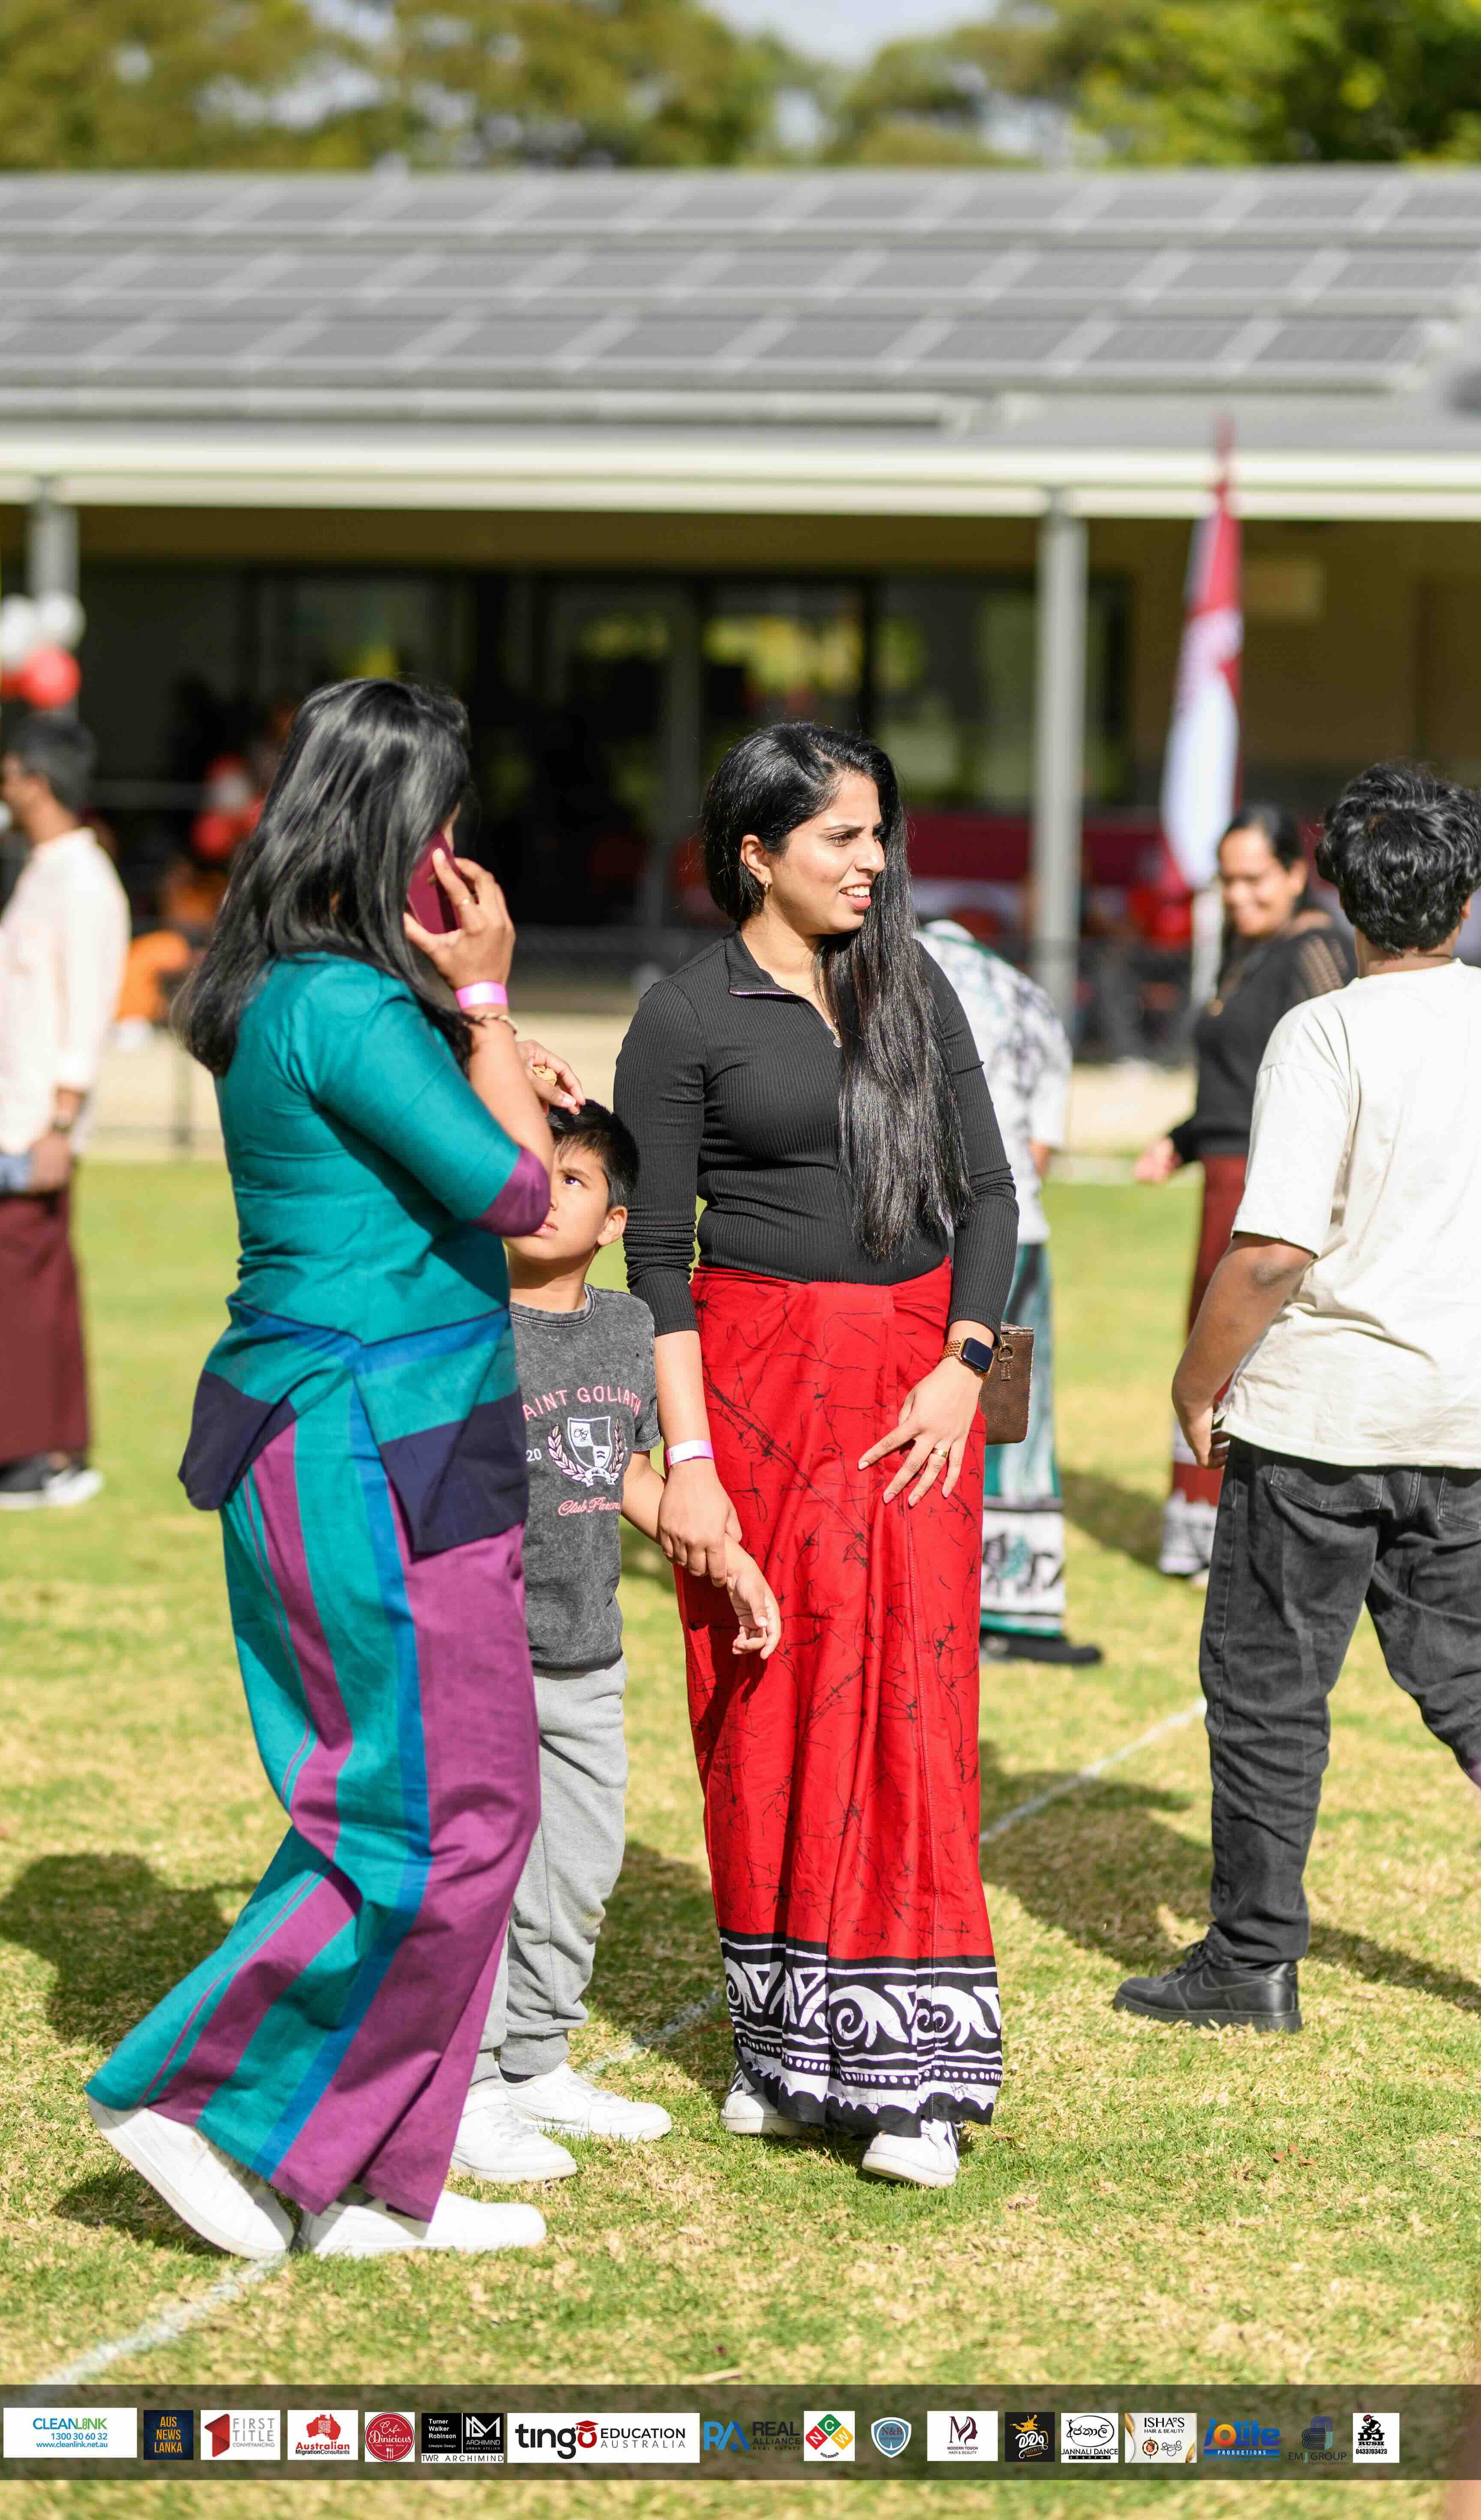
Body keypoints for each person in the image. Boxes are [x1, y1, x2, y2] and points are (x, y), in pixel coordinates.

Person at [86, 678, 587, 2262]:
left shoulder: (342, 999)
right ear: (392, 827)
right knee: (410, 1813)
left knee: (473, 1806)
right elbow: (528, 1203)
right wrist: (490, 1004)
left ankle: (366, 2167)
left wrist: (467, 1024)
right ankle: (196, 2098)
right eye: (443, 821)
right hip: (360, 1434)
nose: (458, 854)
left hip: (412, 1427)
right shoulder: (343, 1006)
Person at [614, 724, 1018, 2191]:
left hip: (916, 1396)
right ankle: (782, 2049)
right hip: (758, 1387)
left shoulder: (913, 986)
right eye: (841, 835)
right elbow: (657, 1254)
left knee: (908, 1699)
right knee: (763, 1696)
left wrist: (961, 1365)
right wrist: (689, 1459)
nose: (871, 860)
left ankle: (910, 2076)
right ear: (755, 850)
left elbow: (987, 1193)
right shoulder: (683, 1011)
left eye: (875, 834)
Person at [1117, 762, 1481, 2034]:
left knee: (1270, 1692)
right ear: (1471, 892)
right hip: (1463, 1420)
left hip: (1319, 1419)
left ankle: (1250, 1964)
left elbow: (1272, 1251)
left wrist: (1195, 1377)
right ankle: (1249, 1960)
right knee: (1472, 1688)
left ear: (1335, 888)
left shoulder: (1323, 1031)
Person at [453, 1102, 780, 2187]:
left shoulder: (627, 1327)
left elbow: (630, 1474)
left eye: (575, 1182)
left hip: (587, 1651)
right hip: (483, 1656)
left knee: (581, 1869)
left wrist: (724, 1556)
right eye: (528, 1172)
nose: (546, 1194)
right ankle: (474, 2086)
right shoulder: (458, 1317)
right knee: (485, 1875)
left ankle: (539, 2057)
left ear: (614, 1221)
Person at [1135, 806, 1352, 1580]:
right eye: (1226, 880)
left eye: (1254, 878)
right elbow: (1237, 1085)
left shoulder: (1317, 947)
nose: (1236, 895)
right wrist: (1184, 1138)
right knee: (1210, 1340)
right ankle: (1200, 1525)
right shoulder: (1248, 951)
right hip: (1223, 1168)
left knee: (1241, 1342)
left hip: (1267, 1182)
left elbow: (1333, 1059)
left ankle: (1251, 1531)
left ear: (1297, 874)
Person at [0, 715, 130, 1508]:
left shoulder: (84, 882)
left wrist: (61, 1120)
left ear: (37, 782)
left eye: (11, 773)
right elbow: (17, 977)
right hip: (13, 1107)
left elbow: (87, 1009)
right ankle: (48, 1451)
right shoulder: (45, 872)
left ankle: (26, 1457)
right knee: (33, 1281)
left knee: (18, 1280)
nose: (2, 789)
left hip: (35, 1116)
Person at [919, 916, 1099, 1666]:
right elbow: (1040, 1150)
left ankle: (936, 1596)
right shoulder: (1029, 996)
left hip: (937, 1232)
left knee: (935, 1412)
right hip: (1021, 1229)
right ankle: (1020, 1608)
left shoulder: (909, 972)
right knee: (1017, 1419)